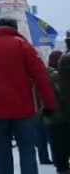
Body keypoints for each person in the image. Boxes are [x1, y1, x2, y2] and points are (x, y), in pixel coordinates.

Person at [0, 18, 56, 174]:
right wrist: (49, 104)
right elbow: (41, 77)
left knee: (2, 150)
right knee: (27, 149)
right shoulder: (23, 46)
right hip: (23, 109)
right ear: (14, 28)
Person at [48, 35, 70, 174]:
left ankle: (61, 166)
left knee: (58, 143)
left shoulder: (48, 76)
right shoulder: (57, 74)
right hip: (61, 113)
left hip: (54, 115)